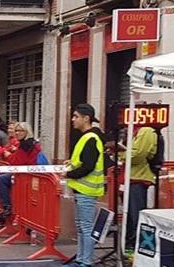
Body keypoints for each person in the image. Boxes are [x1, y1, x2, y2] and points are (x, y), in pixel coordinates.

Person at [64, 104, 105, 267]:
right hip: (82, 190)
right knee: (82, 228)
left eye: (76, 116)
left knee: (86, 228)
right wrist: (72, 163)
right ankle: (81, 259)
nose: (73, 120)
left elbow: (88, 166)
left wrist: (69, 174)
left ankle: (85, 262)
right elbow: (84, 162)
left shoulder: (91, 138)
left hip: (86, 190)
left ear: (86, 118)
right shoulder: (88, 137)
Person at [116, 127, 158, 255]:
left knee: (136, 218)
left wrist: (121, 153)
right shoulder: (132, 132)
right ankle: (129, 248)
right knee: (129, 218)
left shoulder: (146, 131)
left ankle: (135, 251)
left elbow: (137, 155)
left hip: (138, 181)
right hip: (128, 180)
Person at [0, 122, 42, 226]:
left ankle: (7, 208)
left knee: (1, 180)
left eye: (20, 130)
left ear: (27, 131)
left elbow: (16, 162)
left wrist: (6, 153)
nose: (17, 133)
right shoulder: (31, 143)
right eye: (16, 130)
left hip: (24, 175)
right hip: (28, 174)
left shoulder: (24, 144)